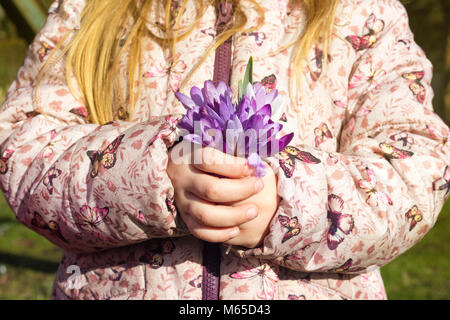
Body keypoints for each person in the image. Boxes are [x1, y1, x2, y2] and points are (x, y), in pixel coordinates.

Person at [0, 0, 448, 300]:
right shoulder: (93, 8)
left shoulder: (363, 12)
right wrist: (150, 172)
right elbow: (23, 149)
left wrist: (291, 203)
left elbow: (416, 164)